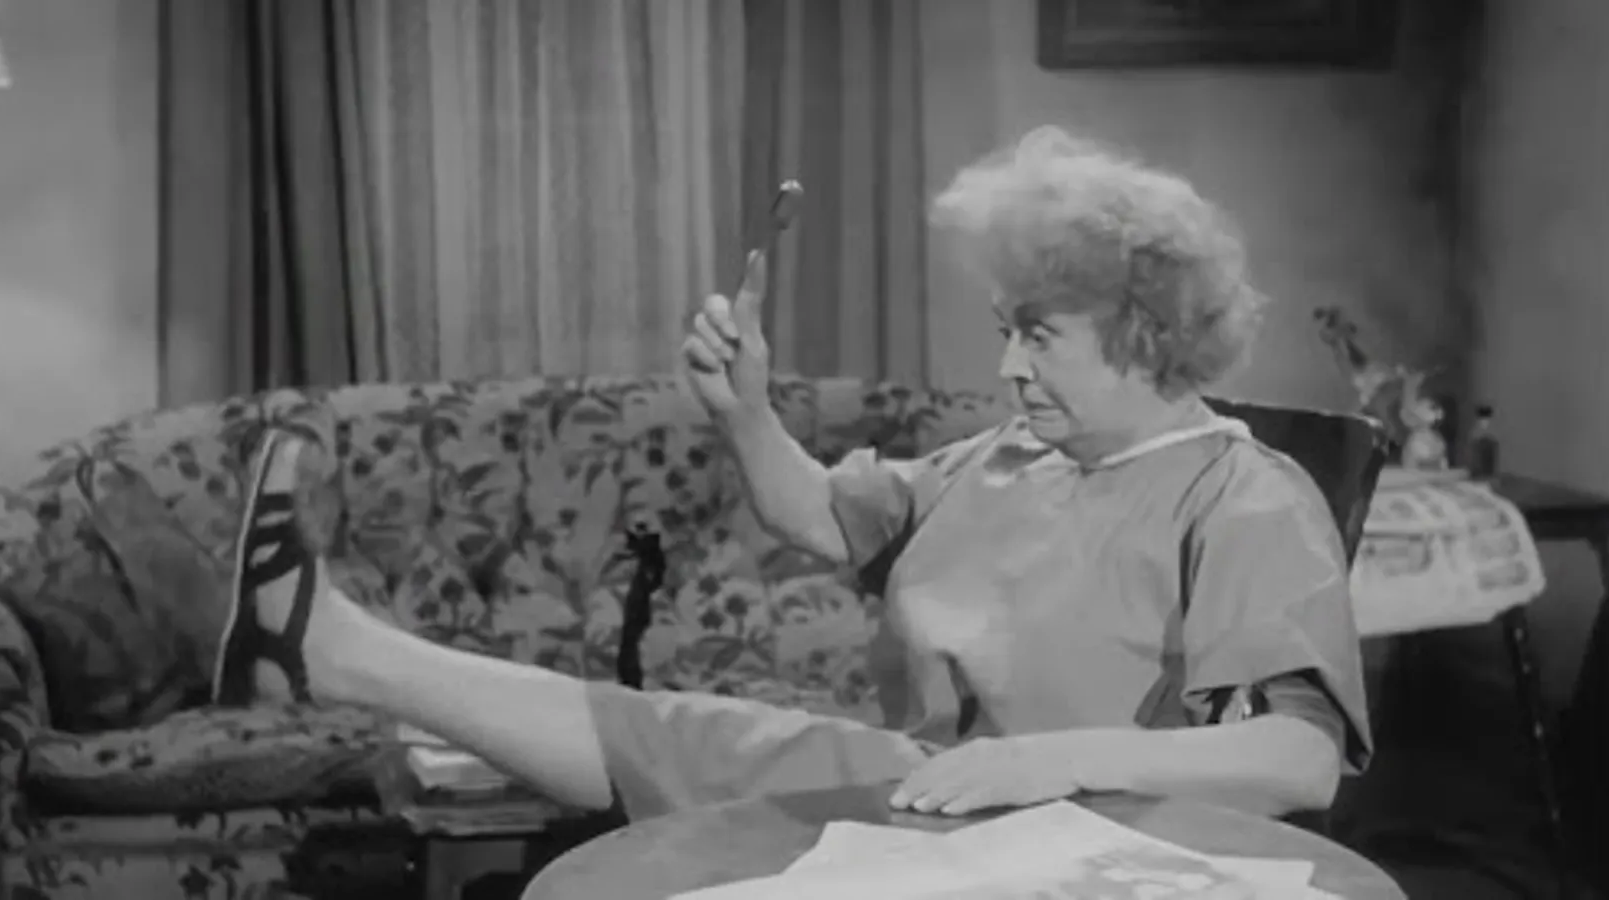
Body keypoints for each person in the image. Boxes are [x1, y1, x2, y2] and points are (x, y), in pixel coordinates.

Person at [211, 125, 1370, 825]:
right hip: (926, 805)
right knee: (688, 739)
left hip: (1087, 841)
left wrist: (1045, 764)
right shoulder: (1008, 456)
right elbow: (818, 516)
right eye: (1002, 333)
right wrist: (746, 411)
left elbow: (1295, 761)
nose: (1007, 369)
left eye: (1037, 338)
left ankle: (329, 652)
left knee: (705, 754)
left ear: (1143, 335)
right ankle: (335, 652)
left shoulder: (1245, 499)